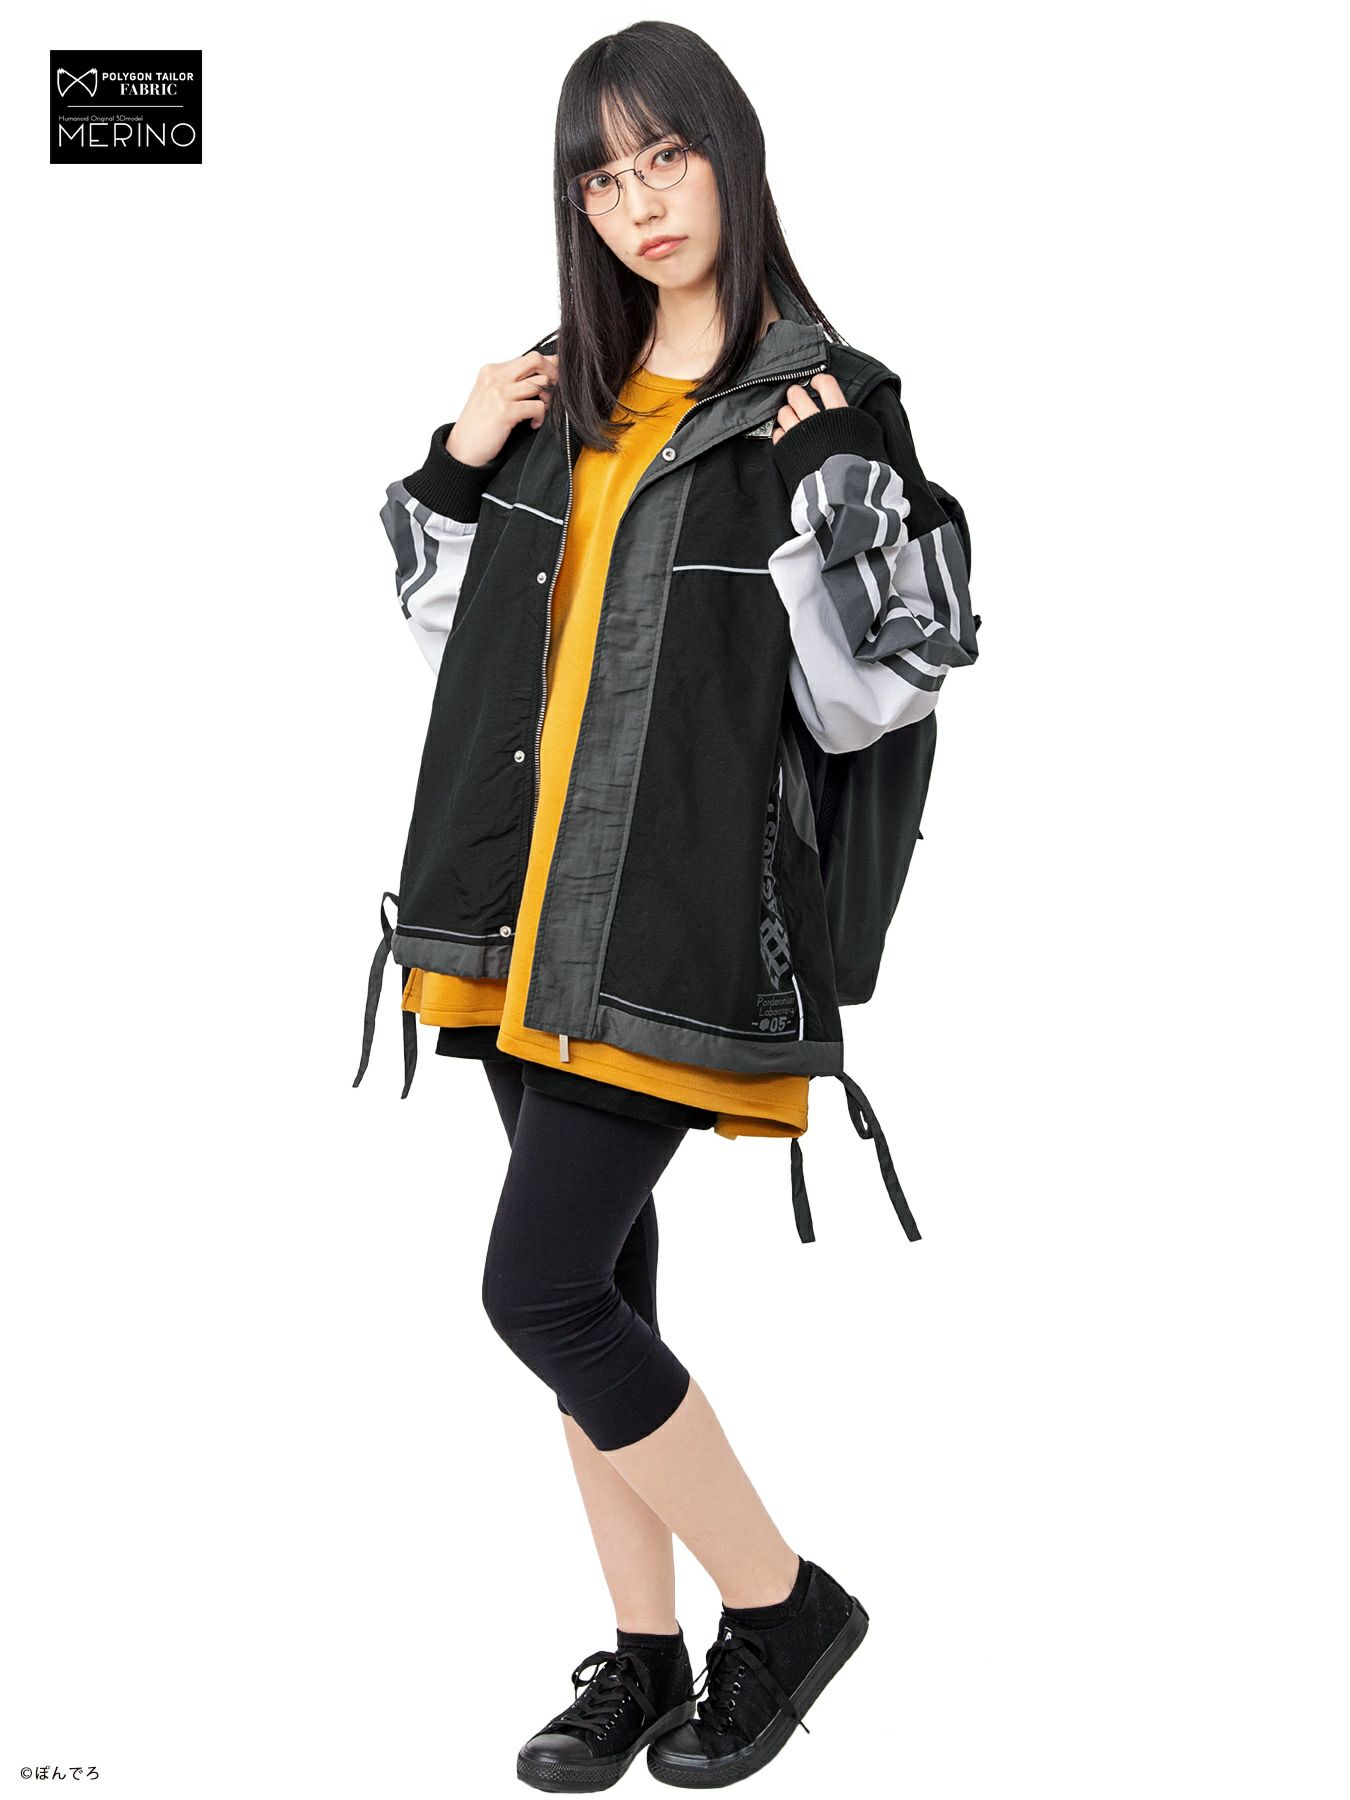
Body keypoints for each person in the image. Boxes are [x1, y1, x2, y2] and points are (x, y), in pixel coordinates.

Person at [359, 21, 979, 1791]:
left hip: (674, 917)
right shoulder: (563, 393)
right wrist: (459, 460)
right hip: (514, 911)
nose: (638, 201)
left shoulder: (824, 402)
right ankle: (642, 1658)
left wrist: (834, 497)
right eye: (601, 176)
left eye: (665, 156)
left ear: (730, 153)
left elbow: (881, 690)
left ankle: (781, 1607)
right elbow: (466, 651)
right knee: (603, 1295)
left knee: (538, 1289)